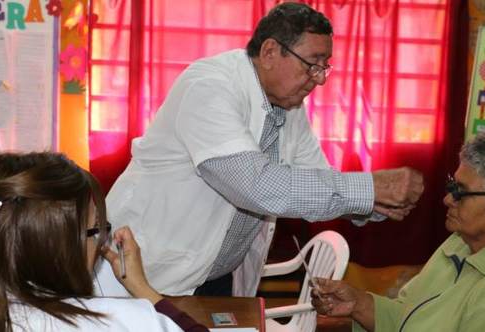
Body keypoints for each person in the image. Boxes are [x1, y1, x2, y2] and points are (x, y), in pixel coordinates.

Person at [100, 2, 424, 298]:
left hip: (212, 274)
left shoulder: (288, 107)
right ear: (270, 52)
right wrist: (369, 188)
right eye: (312, 64)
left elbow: (317, 181)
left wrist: (374, 203)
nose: (320, 79)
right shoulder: (210, 88)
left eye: (325, 66)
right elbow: (258, 187)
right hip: (150, 267)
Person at [311, 132, 485, 332]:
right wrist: (357, 304)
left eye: (461, 193)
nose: (448, 200)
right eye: (453, 187)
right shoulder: (463, 243)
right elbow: (409, 319)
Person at [0, 152, 208, 332]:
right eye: (96, 228)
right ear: (58, 247)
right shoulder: (122, 322)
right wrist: (143, 289)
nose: (101, 242)